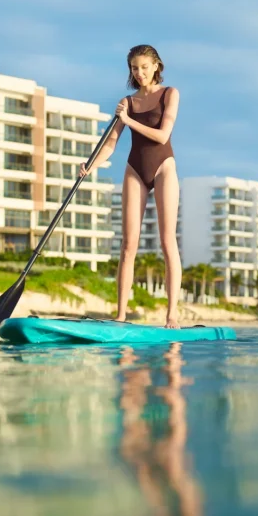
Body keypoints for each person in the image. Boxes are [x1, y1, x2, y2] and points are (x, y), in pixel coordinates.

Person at [81, 44, 182, 328]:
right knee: (128, 245)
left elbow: (163, 136)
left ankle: (172, 313)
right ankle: (121, 316)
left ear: (156, 66)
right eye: (134, 68)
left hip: (164, 167)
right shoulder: (127, 103)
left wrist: (128, 121)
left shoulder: (169, 94)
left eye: (144, 67)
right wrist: (91, 165)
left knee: (166, 240)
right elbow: (110, 144)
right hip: (135, 169)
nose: (139, 73)